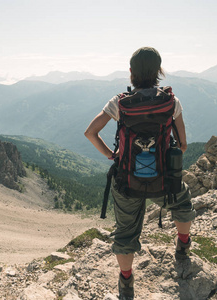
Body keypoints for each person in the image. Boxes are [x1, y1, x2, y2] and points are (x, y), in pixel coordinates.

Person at [84, 47, 196, 300]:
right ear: (159, 71)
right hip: (164, 180)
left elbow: (90, 133)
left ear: (131, 72)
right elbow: (184, 145)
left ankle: (126, 281)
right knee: (184, 202)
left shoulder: (119, 102)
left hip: (126, 180)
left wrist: (112, 156)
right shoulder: (171, 102)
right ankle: (183, 244)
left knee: (125, 232)